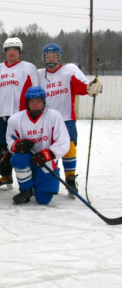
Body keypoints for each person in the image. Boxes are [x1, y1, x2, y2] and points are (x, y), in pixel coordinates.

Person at [38, 43, 102, 196]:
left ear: (59, 57)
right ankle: (51, 177)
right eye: (48, 55)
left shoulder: (69, 70)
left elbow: (81, 86)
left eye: (54, 55)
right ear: (44, 58)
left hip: (66, 118)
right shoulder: (39, 74)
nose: (51, 58)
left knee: (69, 147)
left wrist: (91, 88)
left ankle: (70, 179)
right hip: (46, 120)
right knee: (48, 150)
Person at [6, 86, 71, 205]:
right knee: (18, 158)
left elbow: (63, 142)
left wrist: (46, 155)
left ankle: (39, 182)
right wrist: (17, 146)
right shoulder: (15, 119)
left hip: (46, 161)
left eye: (38, 101)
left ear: (43, 102)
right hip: (27, 159)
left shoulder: (54, 116)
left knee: (43, 200)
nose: (35, 104)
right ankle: (26, 190)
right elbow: (10, 141)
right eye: (32, 101)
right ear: (27, 103)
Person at [0, 37, 38, 189]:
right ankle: (6, 175)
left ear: (19, 51)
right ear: (5, 52)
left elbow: (34, 89)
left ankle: (31, 176)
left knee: (24, 147)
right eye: (9, 50)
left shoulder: (28, 67)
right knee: (3, 147)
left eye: (15, 50)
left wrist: (33, 111)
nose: (12, 52)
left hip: (20, 114)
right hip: (1, 114)